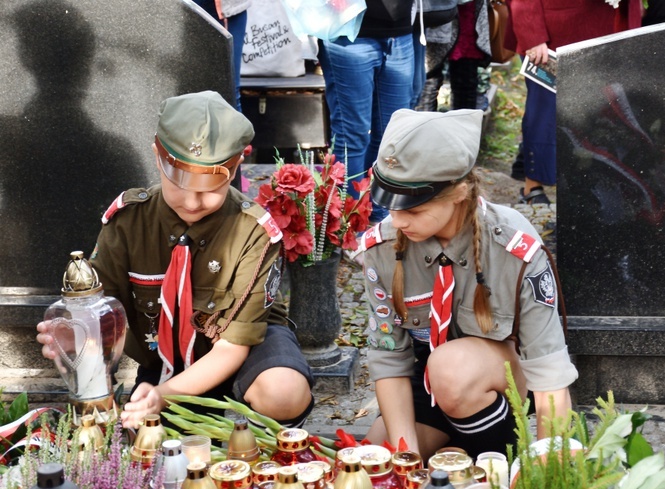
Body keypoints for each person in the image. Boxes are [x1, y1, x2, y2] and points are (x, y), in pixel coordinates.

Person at [36, 91, 314, 429]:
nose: (193, 201)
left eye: (210, 187)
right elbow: (100, 313)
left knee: (283, 392)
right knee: (155, 448)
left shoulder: (253, 232)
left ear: (237, 164)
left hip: (243, 350)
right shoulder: (128, 222)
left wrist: (164, 394)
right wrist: (75, 335)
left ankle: (269, 450)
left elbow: (232, 347)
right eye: (180, 182)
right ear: (157, 157)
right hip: (164, 360)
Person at [361, 108, 578, 458]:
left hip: (502, 387)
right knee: (378, 458)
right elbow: (389, 360)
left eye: (413, 209)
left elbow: (548, 372)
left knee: (452, 369)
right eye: (390, 205)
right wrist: (407, 461)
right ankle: (460, 450)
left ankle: (501, 460)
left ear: (458, 192)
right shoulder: (384, 248)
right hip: (431, 384)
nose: (397, 220)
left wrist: (546, 471)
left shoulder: (512, 246)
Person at [506, 0, 641, 204]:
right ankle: (533, 187)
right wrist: (532, 33)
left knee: (598, 114)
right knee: (545, 115)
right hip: (556, 33)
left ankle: (587, 182)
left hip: (610, 30)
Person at [317, 0, 415, 224]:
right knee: (352, 136)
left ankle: (380, 219)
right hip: (349, 34)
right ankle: (347, 226)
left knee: (393, 135)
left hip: (400, 30)